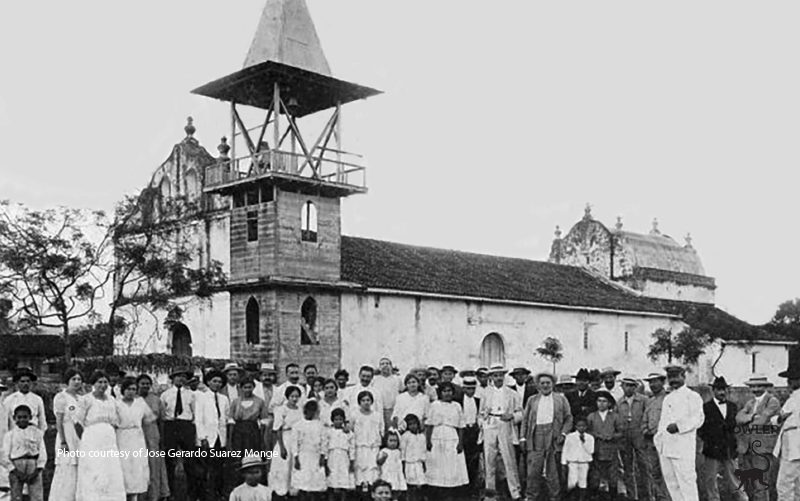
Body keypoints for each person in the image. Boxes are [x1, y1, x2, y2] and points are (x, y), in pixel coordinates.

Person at [519, 372, 572, 501]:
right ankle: (531, 496)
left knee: (552, 470)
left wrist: (563, 433)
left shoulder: (561, 399)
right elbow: (525, 420)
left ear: (553, 384)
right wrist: (523, 438)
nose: (545, 385)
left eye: (548, 383)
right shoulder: (532, 400)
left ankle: (555, 496)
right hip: (535, 435)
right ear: (538, 385)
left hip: (553, 434)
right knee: (533, 470)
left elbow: (568, 418)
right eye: (542, 383)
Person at [654, 365, 703, 501]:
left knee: (687, 483)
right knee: (672, 484)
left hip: (683, 448)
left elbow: (698, 418)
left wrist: (679, 426)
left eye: (676, 376)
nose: (673, 380)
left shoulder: (692, 396)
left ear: (683, 376)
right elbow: (662, 423)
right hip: (666, 448)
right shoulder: (668, 398)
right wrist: (659, 441)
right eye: (670, 377)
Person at [75, 370, 126, 500]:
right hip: (92, 438)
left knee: (109, 469)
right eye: (99, 382)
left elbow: (116, 420)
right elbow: (77, 423)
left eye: (105, 382)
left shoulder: (112, 400)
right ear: (93, 384)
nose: (103, 385)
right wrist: (86, 440)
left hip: (108, 439)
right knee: (94, 469)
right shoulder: (86, 399)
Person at [698, 376, 746, 501]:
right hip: (712, 448)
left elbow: (735, 426)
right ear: (713, 391)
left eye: (724, 389)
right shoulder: (705, 407)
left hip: (729, 447)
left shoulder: (733, 406)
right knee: (711, 479)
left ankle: (742, 499)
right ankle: (713, 499)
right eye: (719, 389)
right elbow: (701, 429)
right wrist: (710, 440)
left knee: (735, 478)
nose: (722, 392)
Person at [479, 364, 522, 501]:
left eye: (500, 375)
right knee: (489, 460)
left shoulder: (512, 393)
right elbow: (480, 413)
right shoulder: (485, 393)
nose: (498, 378)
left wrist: (512, 416)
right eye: (495, 375)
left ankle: (515, 492)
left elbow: (521, 412)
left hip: (505, 424)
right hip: (490, 424)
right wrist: (483, 422)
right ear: (491, 377)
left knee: (509, 458)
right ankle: (490, 494)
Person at [736, 374, 780, 501]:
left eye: (758, 386)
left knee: (760, 484)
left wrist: (749, 421)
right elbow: (738, 418)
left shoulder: (772, 401)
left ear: (765, 387)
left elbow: (762, 421)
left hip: (762, 448)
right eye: (753, 386)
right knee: (750, 484)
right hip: (748, 447)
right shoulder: (750, 402)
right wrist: (752, 416)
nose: (755, 389)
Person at [160, 367, 200, 500]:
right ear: (172, 379)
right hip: (171, 426)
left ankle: (191, 493)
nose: (181, 379)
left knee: (190, 460)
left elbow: (195, 413)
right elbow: (163, 412)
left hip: (186, 426)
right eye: (178, 376)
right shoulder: (165, 394)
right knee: (170, 460)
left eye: (184, 376)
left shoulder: (191, 395)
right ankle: (170, 492)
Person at [424, 382, 468, 500]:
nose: (447, 393)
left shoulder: (457, 406)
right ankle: (436, 494)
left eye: (449, 391)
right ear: (440, 393)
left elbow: (461, 426)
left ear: (453, 393)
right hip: (437, 437)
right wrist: (428, 441)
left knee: (451, 466)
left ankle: (450, 494)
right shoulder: (434, 405)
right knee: (437, 466)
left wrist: (460, 443)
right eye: (444, 391)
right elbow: (429, 425)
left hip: (452, 437)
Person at [117, 377, 155, 501]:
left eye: (134, 389)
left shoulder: (140, 402)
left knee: (137, 466)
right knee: (125, 466)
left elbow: (150, 418)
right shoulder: (116, 403)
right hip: (122, 436)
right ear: (123, 390)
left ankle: (135, 497)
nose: (131, 392)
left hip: (137, 437)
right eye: (128, 389)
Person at [196, 369, 230, 501]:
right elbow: (199, 419)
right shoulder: (202, 398)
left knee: (219, 467)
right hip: (207, 438)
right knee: (205, 468)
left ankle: (218, 492)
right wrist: (202, 437)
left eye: (220, 382)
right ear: (208, 382)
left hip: (220, 438)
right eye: (214, 381)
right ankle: (204, 494)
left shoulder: (224, 399)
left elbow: (225, 418)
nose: (217, 384)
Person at [49, 368, 83, 501]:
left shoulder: (81, 399)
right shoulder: (61, 397)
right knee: (67, 467)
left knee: (79, 468)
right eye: (73, 379)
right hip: (67, 435)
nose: (76, 382)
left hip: (79, 437)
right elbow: (59, 421)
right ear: (67, 381)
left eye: (79, 379)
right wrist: (63, 441)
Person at [1, 405, 46, 501]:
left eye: (25, 417)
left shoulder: (37, 433)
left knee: (36, 495)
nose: (22, 420)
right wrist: (13, 470)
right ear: (14, 418)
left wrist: (38, 469)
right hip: (16, 466)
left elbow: (42, 452)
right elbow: (4, 456)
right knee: (16, 495)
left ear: (30, 417)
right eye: (19, 417)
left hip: (33, 465)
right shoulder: (10, 435)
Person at [137, 374, 170, 501]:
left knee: (154, 465)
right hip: (138, 434)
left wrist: (161, 438)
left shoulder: (156, 399)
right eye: (142, 383)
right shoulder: (133, 398)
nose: (145, 386)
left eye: (147, 383)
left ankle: (155, 495)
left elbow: (161, 420)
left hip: (153, 434)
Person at [616, 375, 648, 501]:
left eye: (631, 385)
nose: (628, 388)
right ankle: (632, 495)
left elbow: (647, 417)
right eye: (626, 385)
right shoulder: (619, 402)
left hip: (640, 435)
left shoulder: (644, 400)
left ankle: (648, 495)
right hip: (625, 437)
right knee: (628, 467)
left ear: (635, 387)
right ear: (622, 387)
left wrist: (644, 431)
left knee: (644, 466)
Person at [269, 386, 304, 499]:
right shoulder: (281, 409)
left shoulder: (300, 410)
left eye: (296, 396)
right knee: (283, 466)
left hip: (297, 439)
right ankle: (280, 491)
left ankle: (292, 490)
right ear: (287, 397)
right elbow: (277, 429)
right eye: (292, 396)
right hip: (285, 438)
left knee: (294, 465)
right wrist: (282, 447)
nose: (294, 399)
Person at [587, 391, 622, 499]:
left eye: (604, 401)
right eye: (599, 401)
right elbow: (587, 431)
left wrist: (612, 436)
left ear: (609, 403)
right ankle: (595, 495)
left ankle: (613, 495)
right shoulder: (591, 416)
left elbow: (621, 432)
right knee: (595, 475)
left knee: (612, 475)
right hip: (596, 449)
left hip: (611, 449)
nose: (601, 404)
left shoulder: (615, 417)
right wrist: (595, 435)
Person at [641, 372, 669, 501]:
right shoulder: (650, 401)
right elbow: (644, 419)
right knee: (654, 471)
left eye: (655, 381)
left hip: (666, 442)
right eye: (650, 382)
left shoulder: (669, 399)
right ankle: (659, 497)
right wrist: (645, 429)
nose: (653, 385)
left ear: (662, 382)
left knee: (667, 472)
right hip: (651, 442)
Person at [292, 400, 327, 499]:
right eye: (309, 410)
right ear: (305, 411)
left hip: (315, 455)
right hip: (303, 455)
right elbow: (294, 442)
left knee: (315, 482)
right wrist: (296, 457)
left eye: (314, 411)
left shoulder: (320, 425)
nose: (311, 413)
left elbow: (324, 441)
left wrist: (322, 455)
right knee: (303, 482)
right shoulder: (298, 425)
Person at [228, 376, 269, 459]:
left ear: (253, 387)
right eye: (245, 387)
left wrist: (262, 437)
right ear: (241, 388)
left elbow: (264, 420)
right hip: (238, 431)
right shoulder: (236, 401)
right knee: (238, 454)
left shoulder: (259, 401)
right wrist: (230, 438)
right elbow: (231, 420)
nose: (247, 390)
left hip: (253, 431)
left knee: (252, 454)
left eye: (250, 387)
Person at [351, 390, 384, 494]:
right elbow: (351, 431)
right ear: (359, 402)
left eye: (368, 400)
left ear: (372, 401)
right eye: (363, 400)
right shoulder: (354, 415)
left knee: (372, 470)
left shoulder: (377, 415)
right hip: (359, 447)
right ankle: (360, 493)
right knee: (360, 469)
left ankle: (372, 492)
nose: (366, 402)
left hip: (373, 448)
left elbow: (381, 430)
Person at [561, 416, 594, 501]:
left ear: (586, 426)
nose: (581, 428)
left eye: (583, 426)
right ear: (575, 426)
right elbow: (565, 450)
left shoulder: (590, 438)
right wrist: (564, 463)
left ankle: (581, 499)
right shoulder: (570, 437)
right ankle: (572, 498)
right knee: (572, 482)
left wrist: (584, 442)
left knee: (582, 482)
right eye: (579, 426)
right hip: (573, 462)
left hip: (584, 463)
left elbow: (591, 451)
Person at [4, 368, 45, 432]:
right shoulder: (9, 400)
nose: (26, 384)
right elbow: (5, 421)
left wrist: (40, 435)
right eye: (22, 381)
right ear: (17, 383)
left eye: (28, 381)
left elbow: (42, 420)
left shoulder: (37, 399)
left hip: (33, 434)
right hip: (15, 434)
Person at [326, 408, 355, 500]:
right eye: (336, 419)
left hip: (344, 458)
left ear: (343, 420)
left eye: (340, 419)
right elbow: (324, 446)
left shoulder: (348, 433)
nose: (338, 422)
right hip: (332, 457)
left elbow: (352, 447)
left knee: (343, 481)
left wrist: (352, 461)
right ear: (332, 420)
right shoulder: (328, 432)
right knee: (332, 481)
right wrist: (325, 460)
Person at [460, 376, 481, 492]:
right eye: (468, 389)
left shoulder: (478, 401)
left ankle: (472, 487)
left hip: (474, 432)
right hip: (463, 432)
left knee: (474, 460)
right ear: (463, 389)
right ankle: (463, 488)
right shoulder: (458, 401)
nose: (470, 391)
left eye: (473, 389)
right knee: (463, 459)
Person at [372, 358, 403, 433]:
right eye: (382, 364)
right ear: (379, 367)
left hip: (393, 410)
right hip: (379, 410)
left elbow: (401, 392)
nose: (385, 365)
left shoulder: (397, 379)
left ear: (391, 366)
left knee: (393, 432)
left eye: (387, 363)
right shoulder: (375, 380)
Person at [400, 414, 426, 501]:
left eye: (414, 423)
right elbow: (403, 452)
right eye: (410, 424)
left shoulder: (421, 436)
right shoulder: (405, 436)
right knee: (411, 485)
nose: (413, 426)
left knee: (420, 485)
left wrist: (424, 464)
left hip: (419, 464)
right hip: (409, 464)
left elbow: (423, 451)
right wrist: (403, 467)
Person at [377, 429, 406, 494]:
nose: (393, 443)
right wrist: (383, 457)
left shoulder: (398, 452)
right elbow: (379, 463)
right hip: (387, 474)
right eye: (391, 441)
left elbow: (400, 464)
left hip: (396, 474)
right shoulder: (384, 451)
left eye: (395, 441)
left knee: (396, 489)